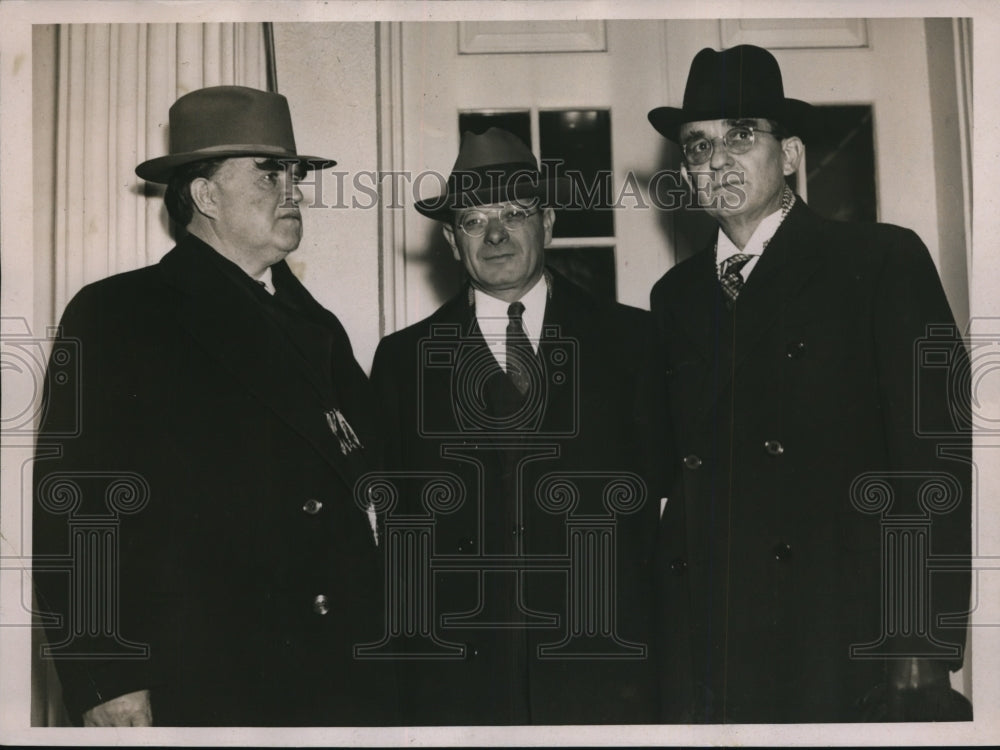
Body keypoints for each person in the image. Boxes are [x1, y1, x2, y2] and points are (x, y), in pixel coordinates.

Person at [32, 86, 394, 727]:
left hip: (339, 679)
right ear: (204, 196)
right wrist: (105, 676)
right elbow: (77, 508)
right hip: (205, 680)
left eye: (294, 172)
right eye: (268, 173)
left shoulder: (318, 326)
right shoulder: (120, 314)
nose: (294, 190)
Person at [647, 45, 972, 723]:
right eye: (697, 144)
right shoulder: (674, 296)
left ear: (790, 154)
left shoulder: (879, 260)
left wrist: (920, 642)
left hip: (839, 627)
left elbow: (931, 461)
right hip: (711, 631)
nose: (717, 159)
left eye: (742, 135)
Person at [369, 128, 665, 724]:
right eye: (475, 221)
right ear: (453, 242)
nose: (497, 235)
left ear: (549, 223)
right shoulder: (404, 360)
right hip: (459, 678)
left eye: (515, 214)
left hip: (604, 670)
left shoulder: (631, 342)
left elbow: (663, 511)